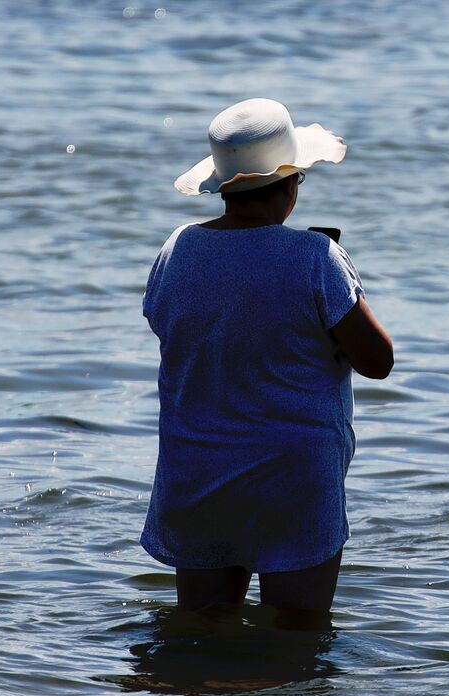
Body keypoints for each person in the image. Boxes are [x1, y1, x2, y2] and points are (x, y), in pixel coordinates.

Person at [141, 98, 393, 629]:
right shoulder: (314, 257)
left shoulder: (177, 249)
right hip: (292, 480)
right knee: (298, 636)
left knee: (202, 631)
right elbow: (377, 360)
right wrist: (340, 276)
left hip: (199, 471)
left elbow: (176, 330)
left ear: (223, 187)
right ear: (291, 185)